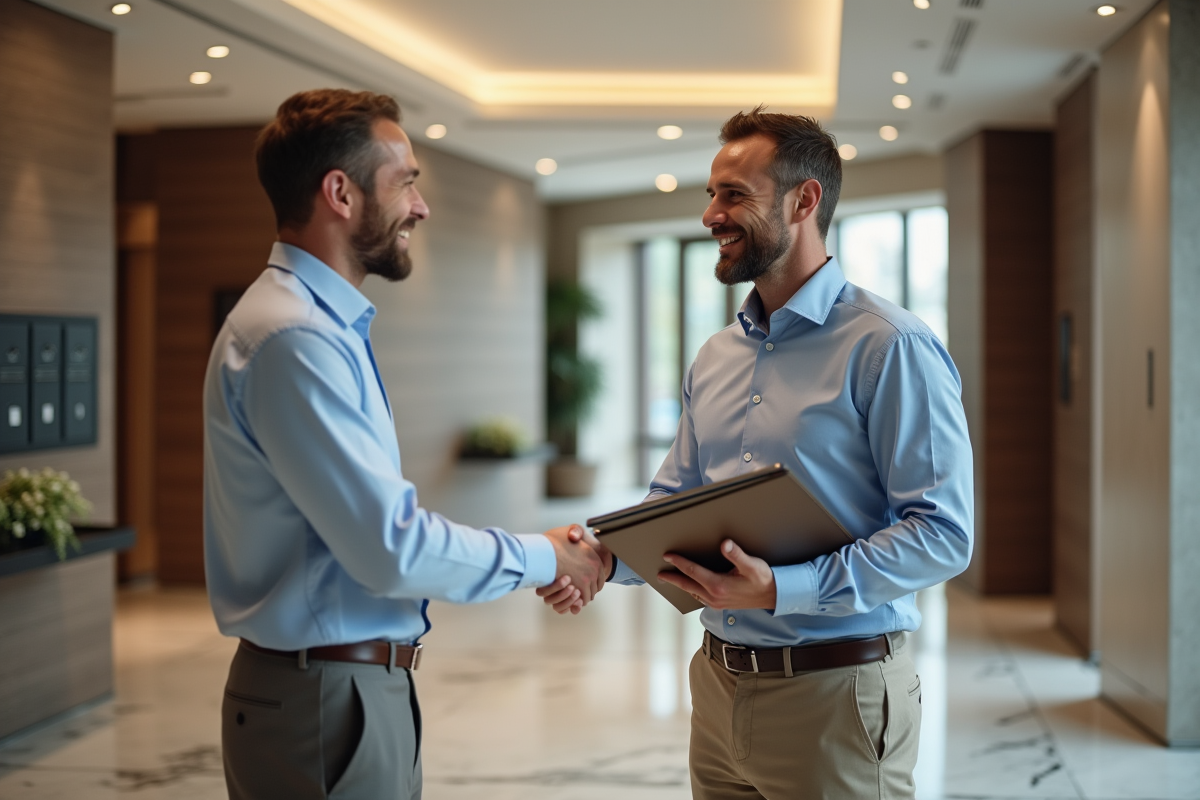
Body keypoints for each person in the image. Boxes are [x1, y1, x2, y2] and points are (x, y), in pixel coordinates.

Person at [540, 107, 973, 799]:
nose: (711, 214)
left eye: (734, 194)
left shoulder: (890, 346)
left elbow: (943, 536)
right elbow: (673, 505)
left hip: (837, 697)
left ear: (805, 201)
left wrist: (782, 588)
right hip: (716, 690)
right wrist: (603, 556)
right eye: (711, 194)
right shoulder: (715, 355)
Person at [203, 88, 605, 800]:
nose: (420, 207)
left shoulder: (309, 326)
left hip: (337, 687)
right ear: (341, 193)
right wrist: (547, 553)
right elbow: (392, 548)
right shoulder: (295, 337)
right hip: (324, 696)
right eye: (406, 182)